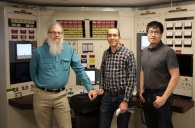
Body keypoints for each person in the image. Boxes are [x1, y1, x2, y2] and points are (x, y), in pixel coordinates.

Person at [30, 22, 97, 128]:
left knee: (66, 126)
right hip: (42, 96)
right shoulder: (38, 52)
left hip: (61, 96)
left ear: (62, 35)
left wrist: (90, 88)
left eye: (59, 33)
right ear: (48, 34)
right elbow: (33, 73)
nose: (57, 35)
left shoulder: (69, 49)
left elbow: (79, 69)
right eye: (54, 32)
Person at [139, 21, 180, 128]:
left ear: (161, 34)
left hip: (161, 95)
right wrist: (141, 89)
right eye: (150, 32)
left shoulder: (168, 52)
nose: (153, 35)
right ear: (147, 33)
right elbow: (143, 70)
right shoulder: (144, 51)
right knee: (150, 125)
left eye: (156, 32)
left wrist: (164, 98)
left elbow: (175, 76)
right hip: (147, 96)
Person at [97, 27, 137, 128]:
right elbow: (102, 71)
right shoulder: (105, 53)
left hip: (122, 96)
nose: (112, 37)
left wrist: (125, 100)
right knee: (103, 125)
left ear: (119, 37)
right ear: (107, 38)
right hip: (107, 96)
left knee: (122, 126)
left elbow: (132, 79)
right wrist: (101, 86)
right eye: (109, 35)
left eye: (115, 35)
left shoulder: (128, 54)